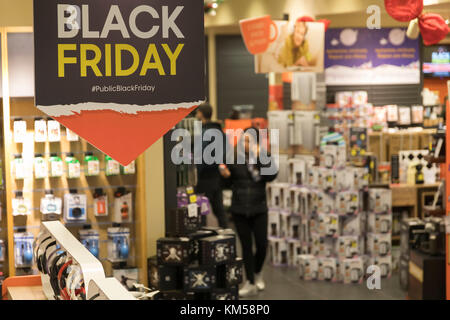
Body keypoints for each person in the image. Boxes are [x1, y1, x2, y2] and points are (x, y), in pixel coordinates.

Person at [220, 128, 278, 297]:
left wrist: (261, 157)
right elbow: (228, 183)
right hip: (239, 208)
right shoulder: (233, 158)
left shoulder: (263, 156)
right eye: (244, 140)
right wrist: (225, 175)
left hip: (259, 207)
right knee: (245, 246)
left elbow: (272, 175)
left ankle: (258, 272)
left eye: (249, 141)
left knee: (262, 245)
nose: (245, 144)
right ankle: (250, 281)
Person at [195, 103, 228, 228]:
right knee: (219, 210)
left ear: (201, 114)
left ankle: (202, 241)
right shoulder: (220, 132)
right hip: (217, 177)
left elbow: (200, 157)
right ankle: (227, 238)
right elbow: (226, 153)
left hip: (204, 178)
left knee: (201, 211)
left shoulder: (203, 133)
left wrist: (196, 175)